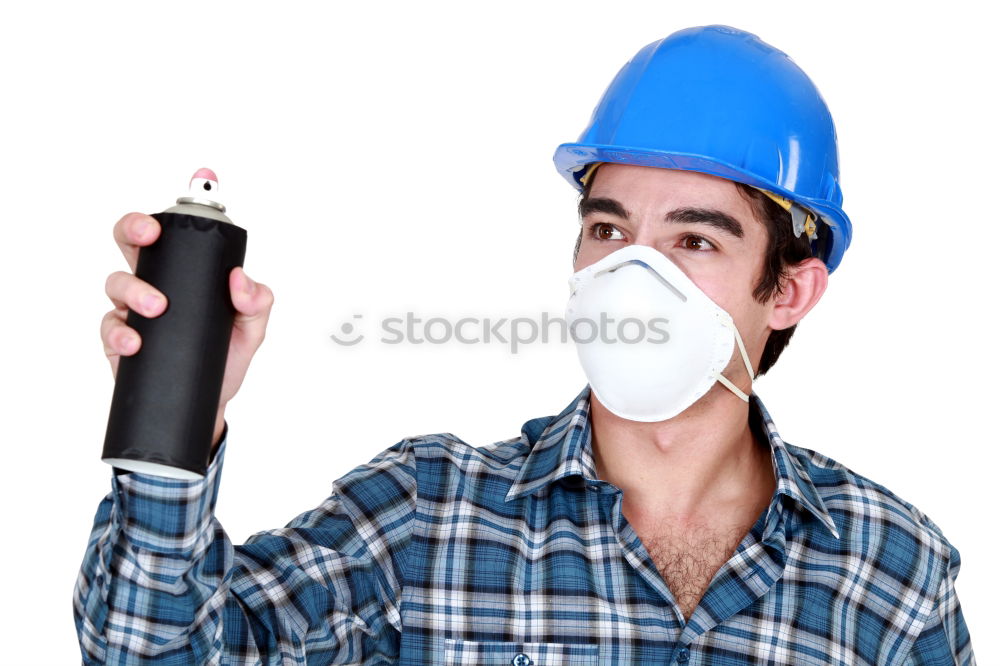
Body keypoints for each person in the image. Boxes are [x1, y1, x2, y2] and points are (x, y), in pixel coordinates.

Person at [74, 25, 975, 664]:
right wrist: (178, 423)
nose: (634, 275)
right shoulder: (427, 518)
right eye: (609, 230)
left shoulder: (888, 571)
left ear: (788, 289)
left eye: (695, 240)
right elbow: (158, 654)